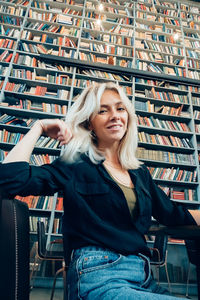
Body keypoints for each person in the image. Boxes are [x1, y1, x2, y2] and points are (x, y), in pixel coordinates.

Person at [0, 82, 199, 300]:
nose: (115, 116)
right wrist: (38, 127)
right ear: (89, 124)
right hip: (98, 275)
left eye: (120, 108)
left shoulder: (139, 173)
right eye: (103, 111)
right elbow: (9, 179)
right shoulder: (76, 164)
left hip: (144, 277)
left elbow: (173, 214)